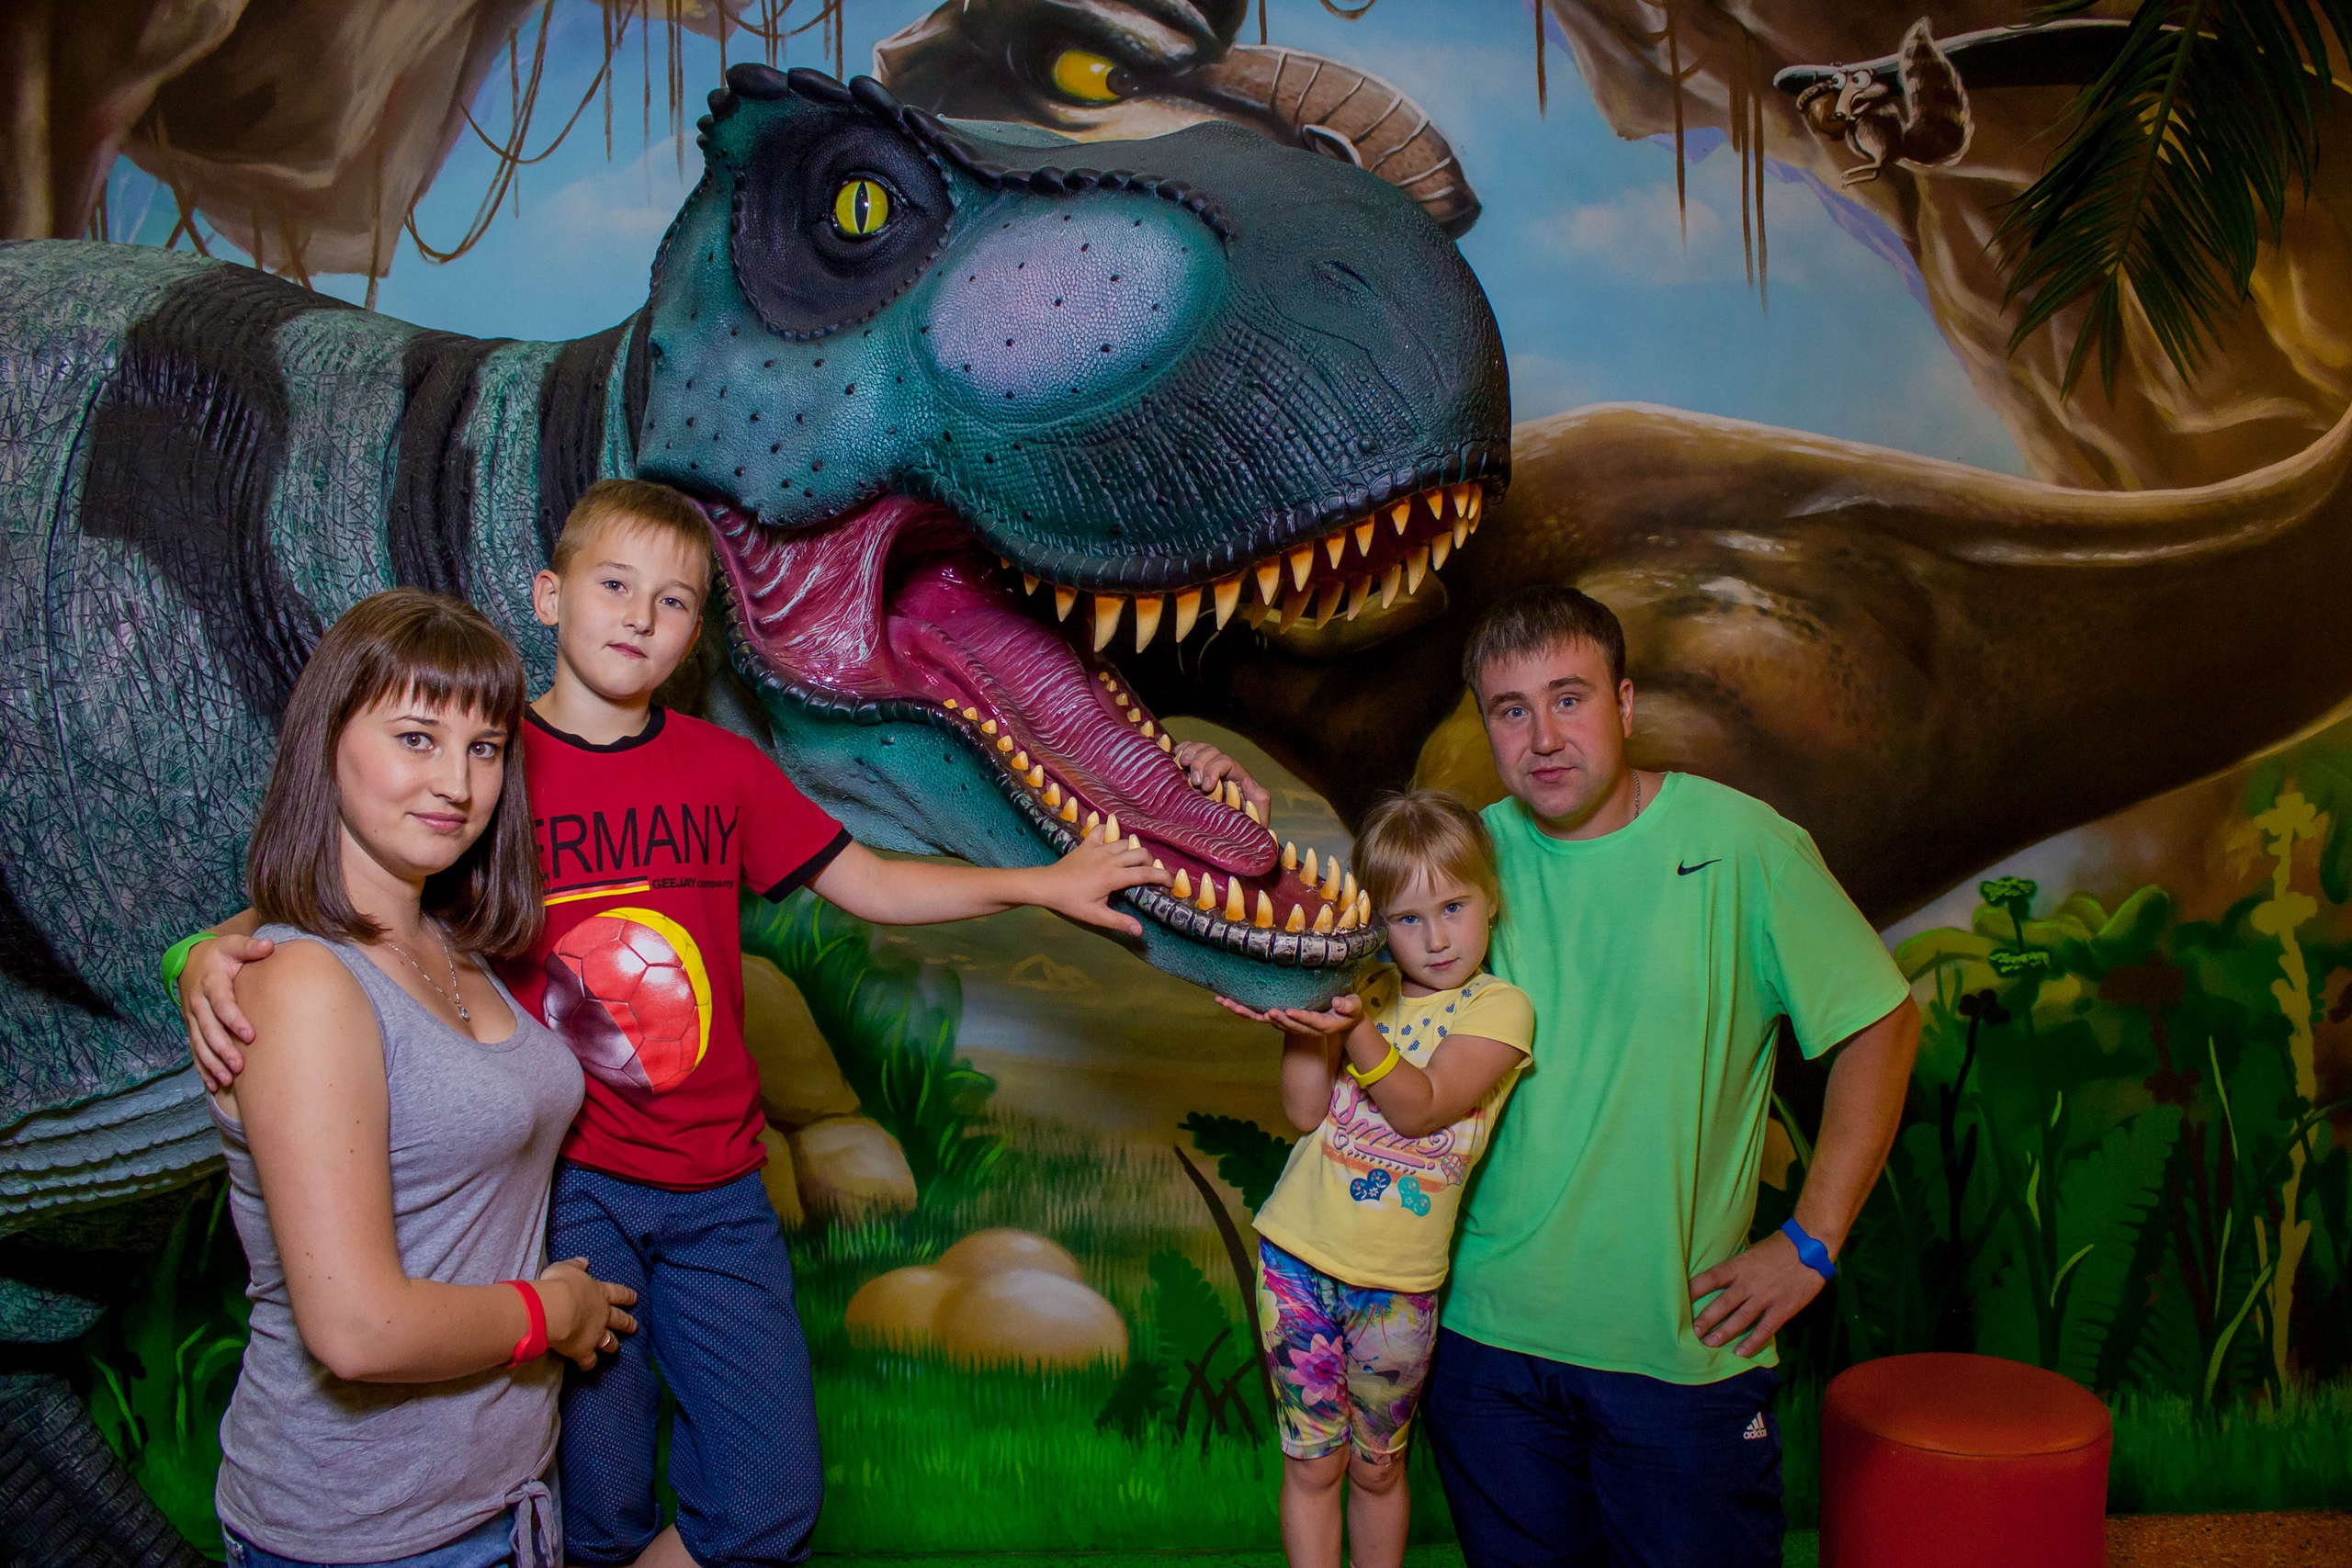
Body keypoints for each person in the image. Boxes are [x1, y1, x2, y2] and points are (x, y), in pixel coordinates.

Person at [176, 479, 1170, 1568]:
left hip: (719, 1184)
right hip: (576, 1182)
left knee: (764, 1505)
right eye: (615, 585)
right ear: (550, 597)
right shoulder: (486, 759)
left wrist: (1038, 884)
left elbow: (873, 882)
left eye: (675, 601)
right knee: (595, 1505)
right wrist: (209, 951)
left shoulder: (716, 767)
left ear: (699, 633)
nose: (641, 617)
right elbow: (345, 878)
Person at [1190, 585, 1919, 1568]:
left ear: (1624, 703)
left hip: (1676, 1352)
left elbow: (1882, 1021)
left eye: (1567, 698)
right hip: (1486, 1354)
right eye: (1510, 709)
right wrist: (1234, 823)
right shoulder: (1467, 864)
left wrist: (1813, 1239)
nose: (1542, 737)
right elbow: (1327, 929)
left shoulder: (1746, 847)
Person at [199, 589, 639, 1568]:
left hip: (503, 1506)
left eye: (484, 749)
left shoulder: (450, 942)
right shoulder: (304, 981)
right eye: (415, 739)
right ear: (327, 744)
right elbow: (357, 1330)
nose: (457, 783)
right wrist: (552, 1313)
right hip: (363, 1535)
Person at [1218, 790, 1533, 1568]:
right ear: (1377, 922)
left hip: (1398, 1285)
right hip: (1296, 1257)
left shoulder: (1500, 1008)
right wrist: (1304, 1007)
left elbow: (1420, 1108)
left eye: (1453, 906)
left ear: (1491, 899)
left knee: (1378, 1467)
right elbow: (1303, 1111)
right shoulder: (1361, 987)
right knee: (1312, 1462)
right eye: (1407, 918)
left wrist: (1350, 1022)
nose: (1436, 937)